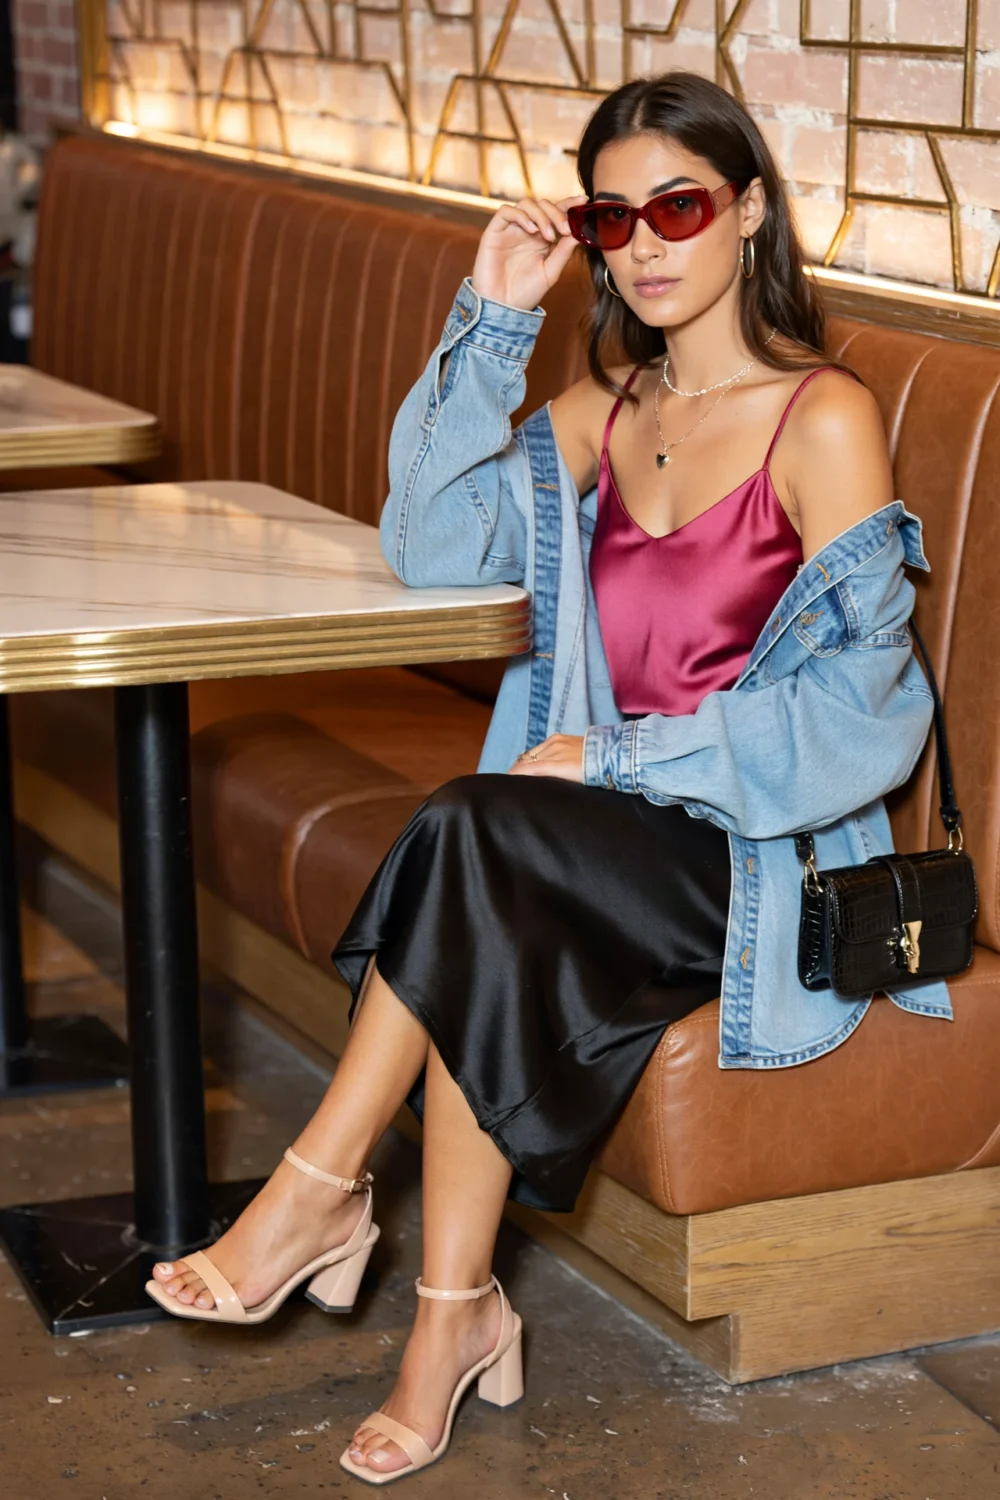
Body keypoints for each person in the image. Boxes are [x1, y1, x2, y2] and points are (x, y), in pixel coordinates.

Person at [146, 71, 951, 1485]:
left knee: (479, 834)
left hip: (749, 861)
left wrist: (634, 752)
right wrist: (493, 313)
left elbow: (867, 716)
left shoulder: (819, 418)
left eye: (680, 207)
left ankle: (321, 1192)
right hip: (571, 837)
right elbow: (431, 543)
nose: (644, 244)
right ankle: (450, 1316)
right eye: (612, 216)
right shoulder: (608, 402)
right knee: (490, 870)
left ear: (749, 208)